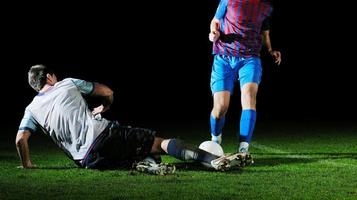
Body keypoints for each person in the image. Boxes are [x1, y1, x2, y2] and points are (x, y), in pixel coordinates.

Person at [16, 65, 252, 174]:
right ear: (49, 77)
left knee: (133, 151)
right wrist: (104, 106)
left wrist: (26, 163)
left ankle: (145, 165)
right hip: (103, 136)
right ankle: (213, 160)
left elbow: (20, 140)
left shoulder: (31, 109)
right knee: (158, 142)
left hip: (86, 160)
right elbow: (107, 91)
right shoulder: (66, 83)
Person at [208, 0, 282, 153]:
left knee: (249, 97)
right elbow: (215, 21)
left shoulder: (266, 7)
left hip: (250, 58)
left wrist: (270, 50)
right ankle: (216, 138)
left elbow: (265, 33)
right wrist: (214, 33)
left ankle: (243, 149)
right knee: (220, 107)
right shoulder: (228, 1)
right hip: (224, 57)